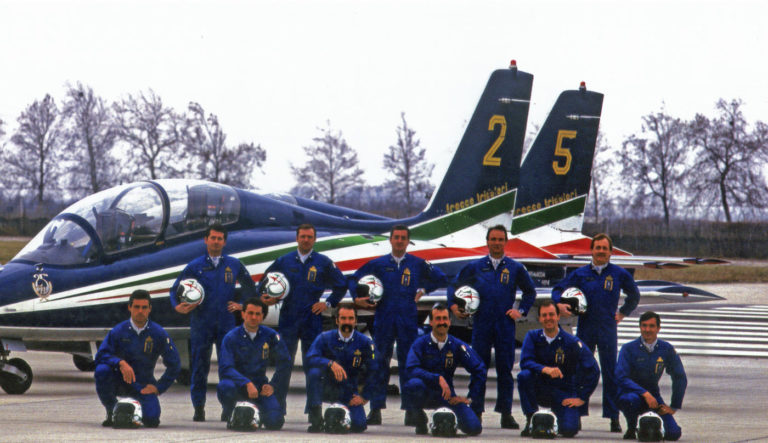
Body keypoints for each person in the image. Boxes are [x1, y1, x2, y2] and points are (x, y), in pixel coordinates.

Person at [351, 224, 447, 424]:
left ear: (408, 241)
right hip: (384, 320)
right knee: (379, 364)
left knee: (409, 365)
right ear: (390, 240)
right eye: (396, 237)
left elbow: (441, 277)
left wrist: (424, 290)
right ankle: (375, 409)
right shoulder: (378, 264)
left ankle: (410, 410)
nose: (400, 241)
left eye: (403, 238)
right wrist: (357, 297)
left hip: (407, 321)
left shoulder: (417, 264)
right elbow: (353, 279)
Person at [447, 224, 537, 429]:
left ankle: (506, 414)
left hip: (505, 325)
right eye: (493, 239)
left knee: (505, 370)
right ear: (487, 242)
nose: (496, 243)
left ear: (506, 242)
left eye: (500, 239)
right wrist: (453, 305)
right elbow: (454, 285)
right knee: (478, 368)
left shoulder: (515, 268)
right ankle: (476, 411)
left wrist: (521, 311)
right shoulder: (475, 266)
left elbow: (530, 292)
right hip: (482, 323)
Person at [551, 233, 640, 432]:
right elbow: (558, 289)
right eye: (597, 248)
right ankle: (577, 413)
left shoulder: (618, 273)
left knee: (610, 372)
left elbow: (634, 294)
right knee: (581, 370)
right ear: (591, 250)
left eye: (604, 248)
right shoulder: (580, 273)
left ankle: (613, 417)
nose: (601, 251)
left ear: (610, 252)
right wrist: (559, 304)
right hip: (586, 327)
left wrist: (623, 313)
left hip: (608, 328)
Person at [169, 223, 257, 421]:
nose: (216, 242)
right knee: (200, 367)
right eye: (213, 238)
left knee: (228, 366)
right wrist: (177, 306)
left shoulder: (233, 264)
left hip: (226, 323)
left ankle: (228, 408)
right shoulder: (195, 266)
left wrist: (242, 305)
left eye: (219, 239)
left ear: (224, 242)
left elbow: (250, 288)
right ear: (206, 240)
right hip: (202, 322)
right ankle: (198, 408)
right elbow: (175, 289)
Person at [259, 223, 348, 414]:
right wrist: (269, 297)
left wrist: (328, 303)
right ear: (297, 238)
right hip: (289, 317)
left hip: (312, 318)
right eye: (303, 236)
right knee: (284, 363)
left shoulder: (323, 262)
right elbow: (264, 282)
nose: (306, 240)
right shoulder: (284, 260)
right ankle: (278, 409)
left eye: (309, 237)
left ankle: (314, 410)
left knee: (313, 364)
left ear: (314, 239)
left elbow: (341, 285)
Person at [94, 289, 180, 428]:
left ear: (150, 309)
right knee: (101, 370)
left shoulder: (158, 333)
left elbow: (175, 364)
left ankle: (138, 410)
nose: (140, 311)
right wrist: (120, 363)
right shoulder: (118, 331)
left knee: (151, 421)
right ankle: (112, 410)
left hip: (143, 385)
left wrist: (158, 387)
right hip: (120, 381)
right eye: (136, 307)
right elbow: (101, 356)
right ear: (129, 307)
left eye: (144, 307)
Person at [517, 301, 600, 437]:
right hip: (540, 388)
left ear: (558, 316)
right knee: (524, 376)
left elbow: (593, 369)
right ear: (539, 318)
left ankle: (564, 417)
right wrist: (545, 369)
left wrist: (582, 397)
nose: (548, 318)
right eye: (544, 315)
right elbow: (525, 362)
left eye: (551, 314)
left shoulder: (571, 342)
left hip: (562, 391)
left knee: (569, 430)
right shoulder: (532, 337)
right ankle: (531, 418)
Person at [402, 303, 485, 436]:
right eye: (438, 319)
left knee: (474, 428)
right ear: (431, 322)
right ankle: (419, 420)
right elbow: (411, 369)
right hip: (425, 393)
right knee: (413, 385)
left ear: (450, 322)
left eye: (445, 318)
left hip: (447, 396)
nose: (442, 322)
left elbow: (479, 369)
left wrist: (470, 398)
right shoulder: (420, 344)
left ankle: (452, 420)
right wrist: (437, 378)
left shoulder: (457, 345)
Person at [217, 297, 290, 430]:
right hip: (238, 386)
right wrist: (246, 383)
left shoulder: (271, 335)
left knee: (275, 422)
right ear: (243, 314)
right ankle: (231, 412)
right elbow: (225, 368)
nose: (253, 317)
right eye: (250, 313)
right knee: (224, 386)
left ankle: (256, 413)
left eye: (257, 314)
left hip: (260, 387)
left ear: (263, 316)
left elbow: (285, 363)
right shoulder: (231, 337)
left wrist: (272, 385)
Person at [304, 304, 378, 433]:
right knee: (314, 373)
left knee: (359, 425)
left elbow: (375, 370)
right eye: (343, 318)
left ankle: (336, 415)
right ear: (337, 320)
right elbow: (310, 358)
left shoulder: (365, 342)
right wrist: (330, 363)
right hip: (327, 386)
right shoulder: (324, 338)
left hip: (348, 389)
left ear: (355, 321)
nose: (347, 322)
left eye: (350, 318)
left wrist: (364, 396)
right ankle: (316, 418)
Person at [616, 311, 686, 440]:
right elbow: (621, 377)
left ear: (658, 328)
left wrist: (674, 406)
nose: (647, 330)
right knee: (629, 400)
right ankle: (632, 427)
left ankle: (651, 426)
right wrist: (644, 393)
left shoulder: (666, 349)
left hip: (654, 397)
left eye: (651, 326)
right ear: (640, 327)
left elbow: (680, 377)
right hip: (631, 394)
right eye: (644, 325)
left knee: (673, 434)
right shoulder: (628, 348)